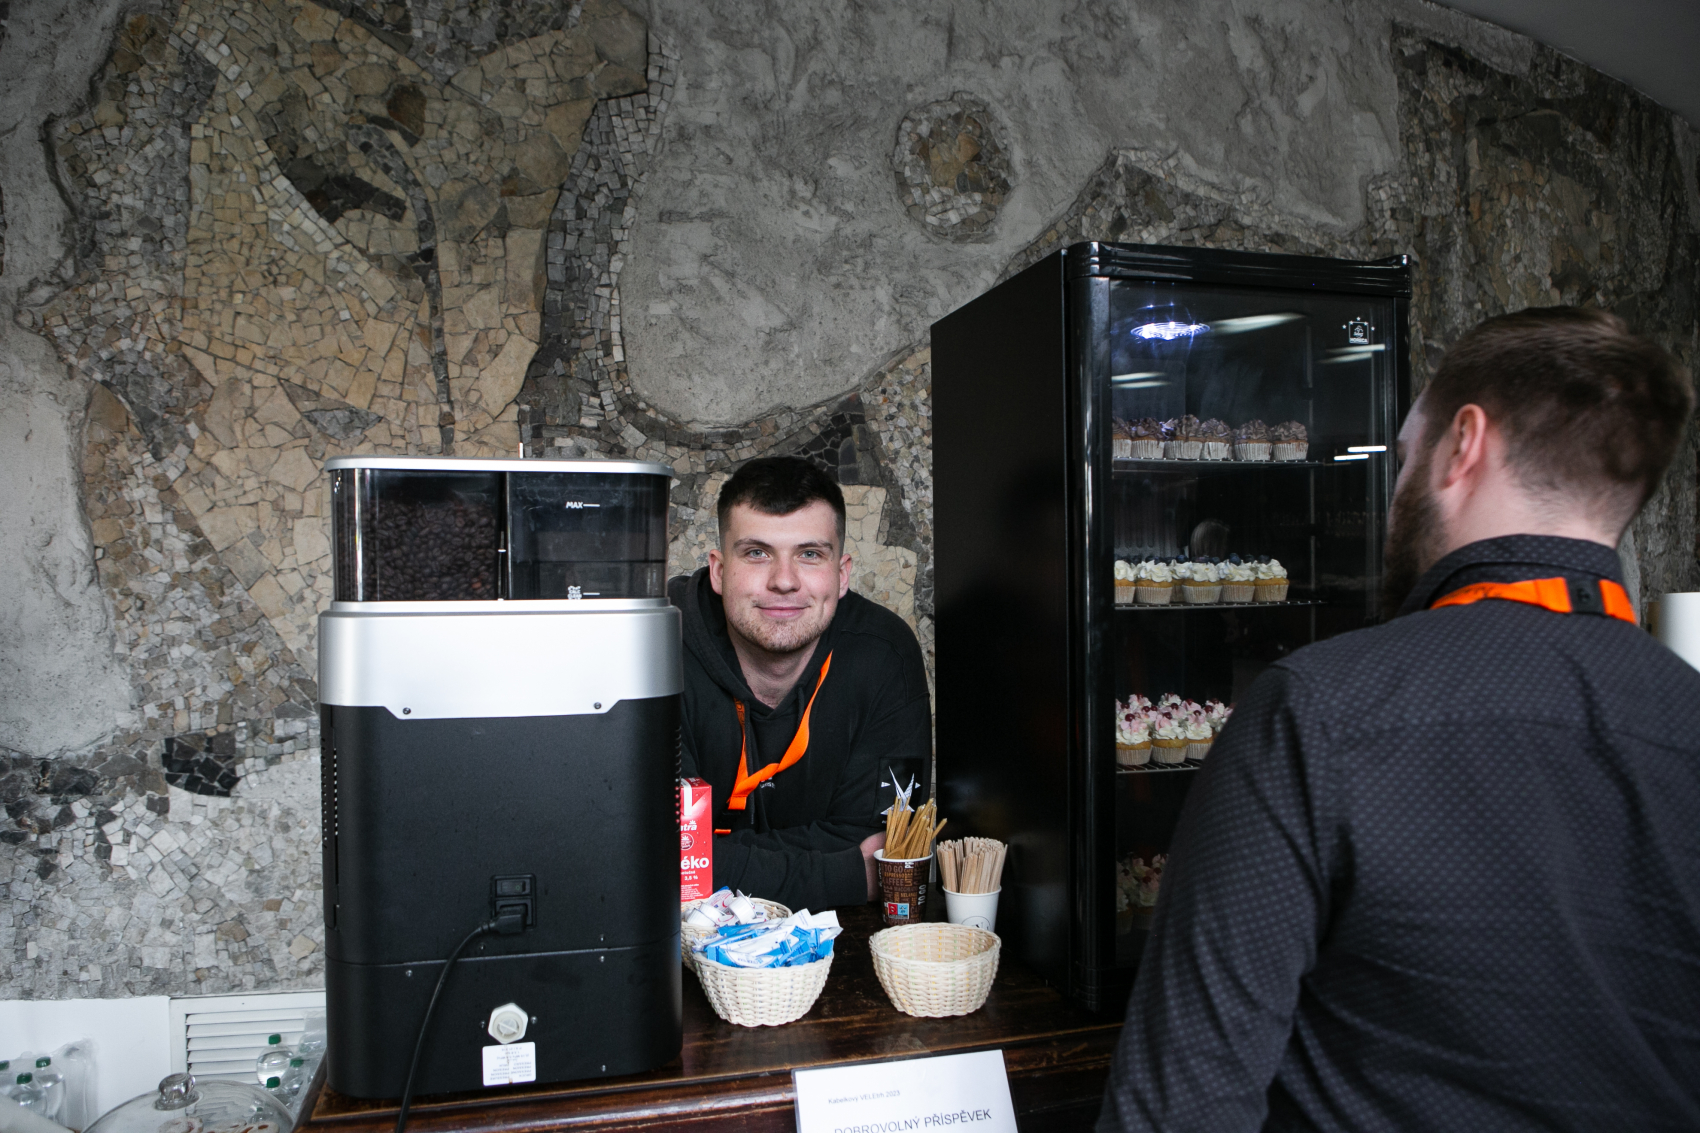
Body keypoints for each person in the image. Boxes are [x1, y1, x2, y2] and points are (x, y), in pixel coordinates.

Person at [1099, 307, 1700, 1130]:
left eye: (1407, 455)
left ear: (1464, 445)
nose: (1393, 491)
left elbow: (1180, 1106)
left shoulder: (1316, 712)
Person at [669, 456, 931, 911]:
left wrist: (710, 860)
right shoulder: (654, 648)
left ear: (842, 574)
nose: (784, 582)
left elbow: (886, 847)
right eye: (757, 553)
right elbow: (649, 857)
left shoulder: (884, 653)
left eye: (810, 554)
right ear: (719, 571)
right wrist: (846, 874)